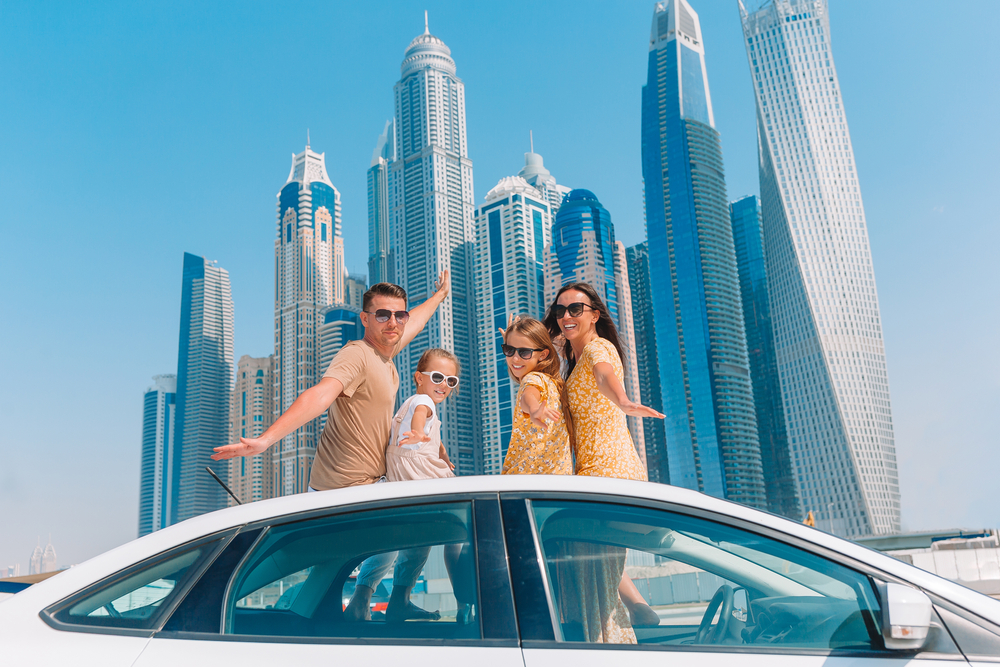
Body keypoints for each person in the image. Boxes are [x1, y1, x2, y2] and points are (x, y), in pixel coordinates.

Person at [211, 274, 450, 620]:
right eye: (382, 315)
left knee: (400, 542)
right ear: (365, 319)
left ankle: (362, 606)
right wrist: (266, 439)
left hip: (368, 484)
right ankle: (376, 603)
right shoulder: (357, 355)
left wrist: (439, 295)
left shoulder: (385, 355)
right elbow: (321, 394)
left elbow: (415, 323)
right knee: (421, 527)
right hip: (345, 488)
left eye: (399, 315)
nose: (393, 322)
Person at [543, 282, 666, 643]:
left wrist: (625, 401)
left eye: (575, 309)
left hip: (610, 467)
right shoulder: (571, 360)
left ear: (595, 314)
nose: (566, 316)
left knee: (591, 561)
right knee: (588, 557)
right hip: (590, 470)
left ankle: (611, 642)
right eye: (560, 311)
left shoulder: (598, 347)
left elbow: (604, 374)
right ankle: (641, 611)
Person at [498, 317, 573, 476]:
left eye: (524, 352)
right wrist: (515, 341)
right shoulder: (556, 385)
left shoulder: (532, 379)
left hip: (525, 480)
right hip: (555, 483)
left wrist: (533, 409)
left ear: (543, 354)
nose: (515, 358)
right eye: (509, 350)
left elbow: (529, 394)